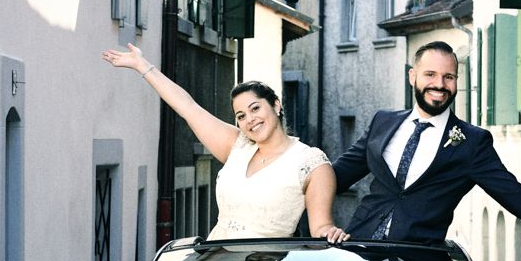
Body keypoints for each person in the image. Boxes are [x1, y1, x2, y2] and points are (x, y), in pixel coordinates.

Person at [332, 40, 521, 261]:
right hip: (356, 252)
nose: (439, 84)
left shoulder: (472, 143)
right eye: (430, 74)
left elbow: (518, 199)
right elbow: (335, 176)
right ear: (413, 76)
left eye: (449, 77)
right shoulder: (382, 122)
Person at [102, 42, 348, 242]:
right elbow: (187, 107)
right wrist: (142, 65)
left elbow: (321, 227)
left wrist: (331, 233)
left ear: (276, 105)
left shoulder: (311, 162)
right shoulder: (237, 146)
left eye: (255, 108)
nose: (250, 119)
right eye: (241, 116)